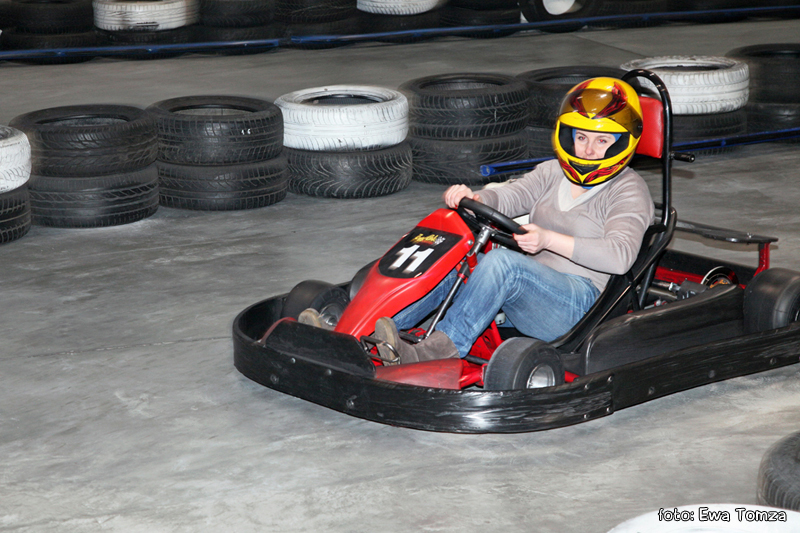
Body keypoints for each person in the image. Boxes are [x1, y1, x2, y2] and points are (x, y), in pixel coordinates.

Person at [373, 77, 656, 364]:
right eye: (581, 137)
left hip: (581, 308)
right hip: (530, 291)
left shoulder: (628, 189)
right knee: (459, 259)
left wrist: (548, 239)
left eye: (602, 140)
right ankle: (376, 330)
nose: (588, 150)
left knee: (503, 264)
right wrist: (476, 199)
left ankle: (433, 353)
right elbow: (510, 196)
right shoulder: (552, 172)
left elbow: (620, 256)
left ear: (622, 142)